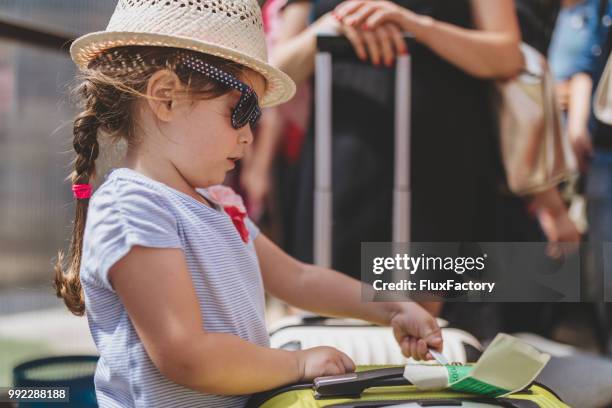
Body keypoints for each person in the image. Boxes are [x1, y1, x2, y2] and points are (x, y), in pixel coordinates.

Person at [52, 1, 442, 407]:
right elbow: (186, 355)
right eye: (240, 111)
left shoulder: (218, 204)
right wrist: (297, 364)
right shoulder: (134, 208)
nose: (249, 136)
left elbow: (297, 279)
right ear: (165, 97)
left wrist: (394, 308)